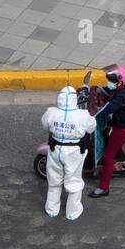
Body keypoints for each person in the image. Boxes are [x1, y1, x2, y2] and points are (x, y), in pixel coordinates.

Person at [40, 85, 98, 220]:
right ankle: (72, 212)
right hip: (74, 151)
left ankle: (52, 210)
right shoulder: (82, 115)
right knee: (74, 181)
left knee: (54, 180)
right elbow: (91, 128)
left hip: (55, 149)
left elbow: (45, 125)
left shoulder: (51, 112)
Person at [90, 64, 125, 198]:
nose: (110, 83)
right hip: (122, 120)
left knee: (108, 156)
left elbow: (108, 108)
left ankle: (103, 188)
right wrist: (97, 91)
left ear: (120, 80)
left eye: (112, 81)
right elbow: (109, 91)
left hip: (124, 128)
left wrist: (91, 113)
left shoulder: (123, 94)